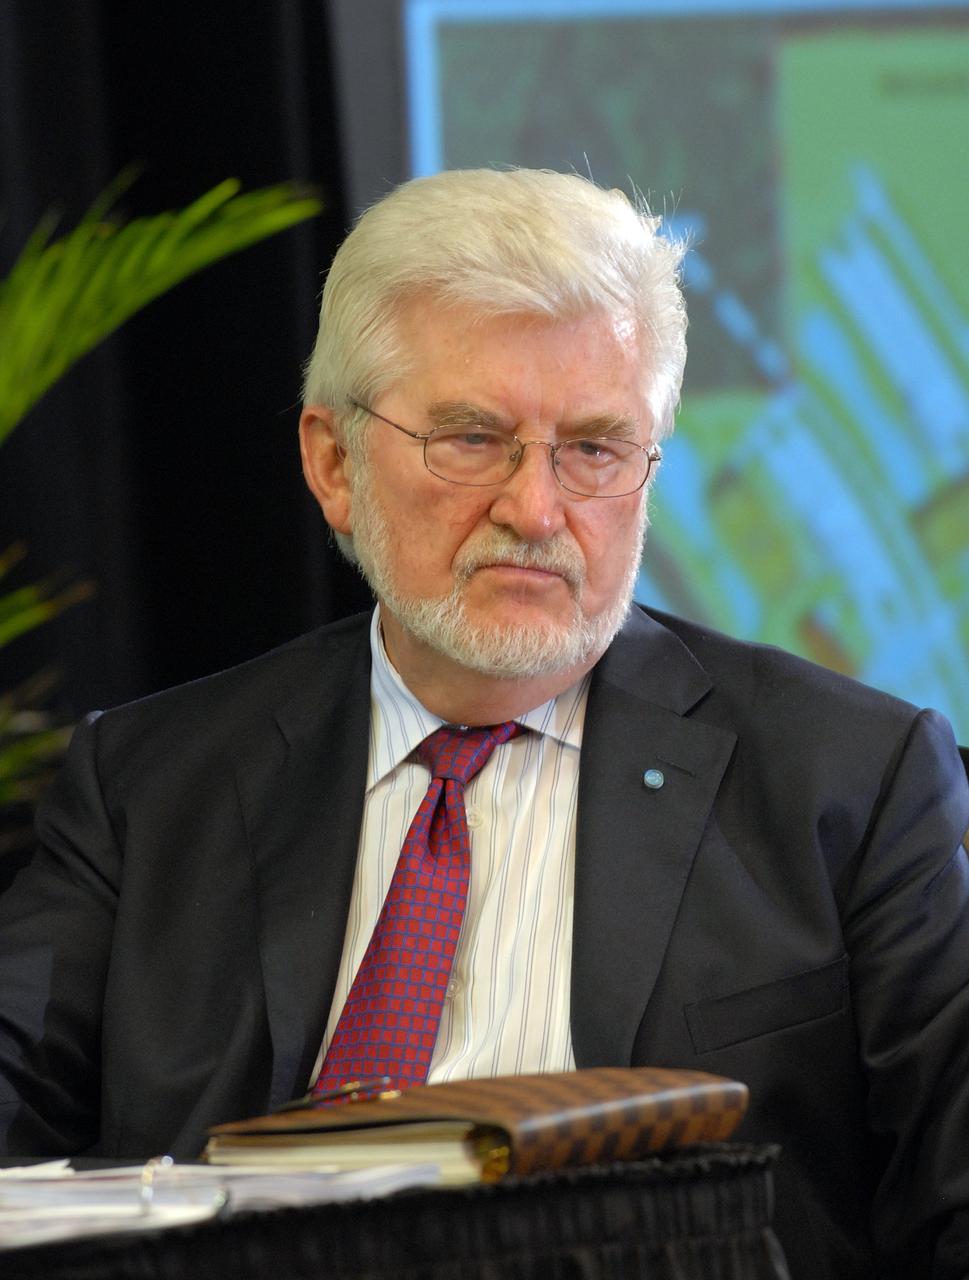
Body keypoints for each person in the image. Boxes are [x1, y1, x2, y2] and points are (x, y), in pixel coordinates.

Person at [1, 168, 967, 1279]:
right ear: (333, 460)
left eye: (595, 449)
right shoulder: (150, 784)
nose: (537, 508)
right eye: (471, 437)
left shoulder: (846, 776)